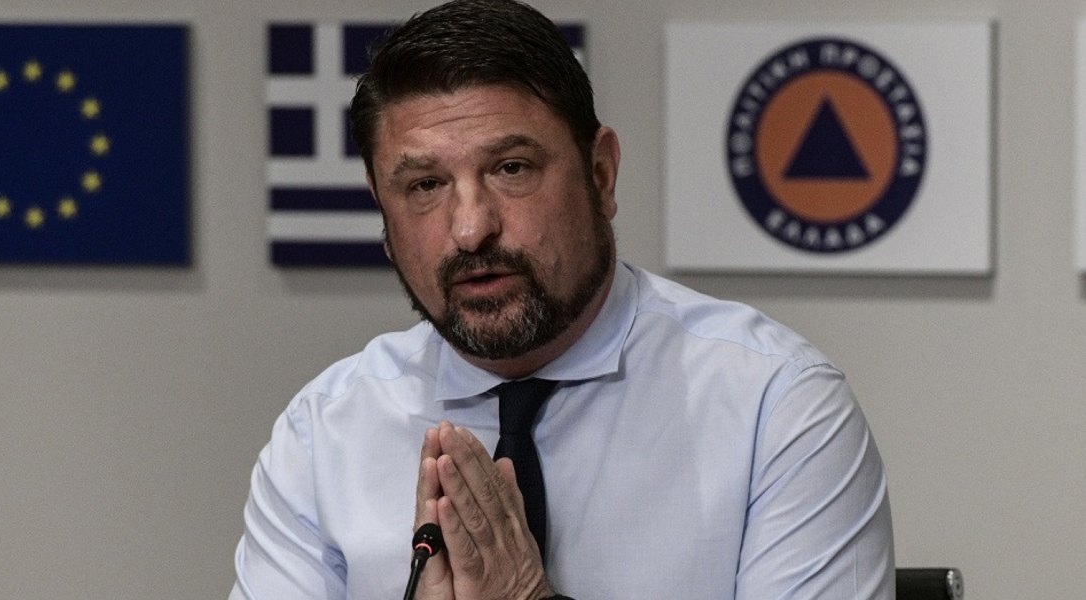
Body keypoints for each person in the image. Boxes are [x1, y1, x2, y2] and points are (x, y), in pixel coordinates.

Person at [229, 0, 894, 598]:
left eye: (511, 168)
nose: (471, 228)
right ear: (383, 212)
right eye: (426, 185)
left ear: (600, 174)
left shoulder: (775, 407)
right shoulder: (324, 433)